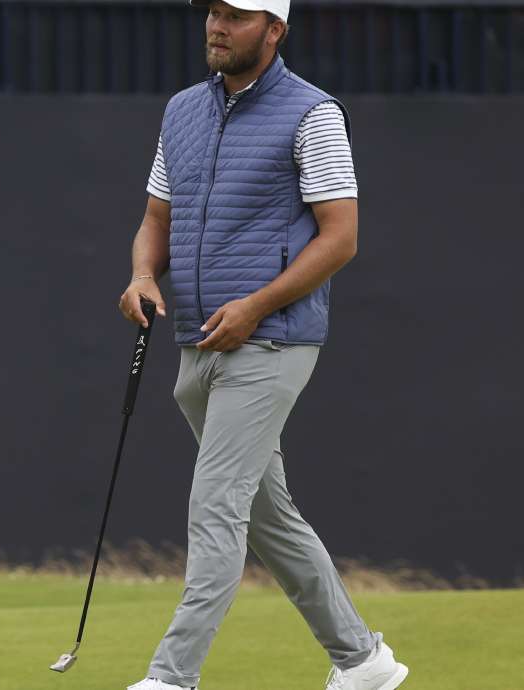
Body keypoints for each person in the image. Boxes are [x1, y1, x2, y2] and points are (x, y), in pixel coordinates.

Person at [116, 0, 410, 688]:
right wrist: (139, 275)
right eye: (212, 13)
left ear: (274, 30)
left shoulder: (314, 113)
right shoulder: (182, 110)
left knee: (216, 503)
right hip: (199, 338)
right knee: (267, 517)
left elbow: (341, 237)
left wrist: (256, 306)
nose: (217, 26)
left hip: (273, 338)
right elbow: (156, 217)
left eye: (236, 16)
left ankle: (171, 677)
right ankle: (363, 661)